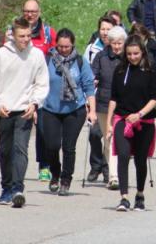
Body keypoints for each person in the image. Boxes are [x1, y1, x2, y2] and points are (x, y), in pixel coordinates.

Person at [0, 17, 50, 207]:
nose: (26, 39)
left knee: (20, 149)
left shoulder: (36, 55)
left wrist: (35, 103)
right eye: (22, 36)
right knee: (5, 151)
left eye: (29, 35)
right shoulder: (1, 54)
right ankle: (6, 188)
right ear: (13, 35)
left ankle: (17, 189)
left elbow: (42, 83)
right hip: (4, 110)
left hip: (25, 110)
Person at [3, 0, 57, 182]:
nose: (30, 14)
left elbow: (56, 59)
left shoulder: (49, 34)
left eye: (33, 11)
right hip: (18, 90)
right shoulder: (11, 33)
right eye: (26, 11)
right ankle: (16, 165)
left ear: (39, 12)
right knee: (17, 132)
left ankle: (44, 165)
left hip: (41, 89)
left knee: (43, 129)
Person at [110, 35, 156, 211]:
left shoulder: (151, 71)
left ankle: (139, 194)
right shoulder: (119, 70)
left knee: (140, 159)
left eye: (136, 53)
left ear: (143, 52)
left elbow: (154, 99)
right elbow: (113, 98)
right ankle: (124, 197)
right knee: (123, 155)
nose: (132, 57)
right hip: (122, 119)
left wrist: (139, 114)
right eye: (129, 54)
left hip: (144, 120)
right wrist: (110, 123)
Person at [42, 29, 97, 195]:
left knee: (68, 146)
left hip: (75, 110)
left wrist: (92, 110)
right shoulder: (47, 60)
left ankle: (66, 180)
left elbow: (89, 87)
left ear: (72, 45)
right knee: (52, 145)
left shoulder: (80, 62)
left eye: (67, 47)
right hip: (50, 109)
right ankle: (55, 173)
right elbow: (37, 83)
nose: (63, 50)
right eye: (60, 46)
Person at [89, 25, 126, 189]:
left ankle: (115, 173)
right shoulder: (101, 56)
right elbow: (92, 75)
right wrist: (93, 81)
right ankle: (114, 176)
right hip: (104, 103)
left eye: (120, 43)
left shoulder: (130, 56)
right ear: (109, 42)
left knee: (118, 139)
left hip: (124, 104)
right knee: (109, 138)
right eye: (114, 43)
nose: (117, 46)